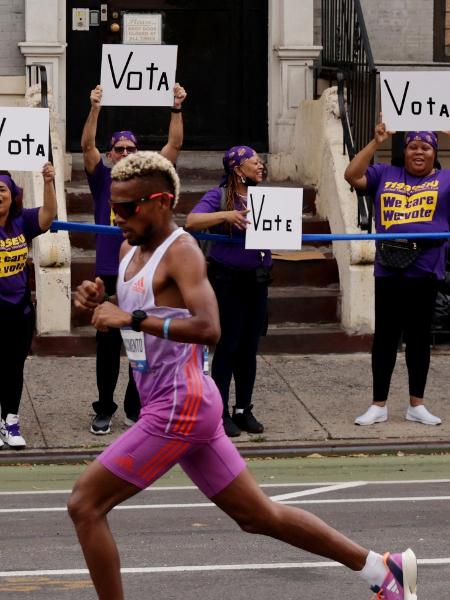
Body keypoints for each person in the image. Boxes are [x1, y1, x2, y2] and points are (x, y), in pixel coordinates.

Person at [68, 151, 418, 600]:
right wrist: (94, 301)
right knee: (258, 516)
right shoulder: (128, 248)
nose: (117, 216)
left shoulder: (183, 252)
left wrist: (130, 321)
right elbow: (124, 309)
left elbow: (210, 329)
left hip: (181, 402)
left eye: (127, 207)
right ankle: (380, 568)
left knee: (84, 503)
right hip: (179, 402)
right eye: (113, 207)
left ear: (161, 201)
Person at [81, 82, 187, 434]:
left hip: (140, 272)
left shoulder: (148, 180)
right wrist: (95, 107)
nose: (124, 153)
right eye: (119, 149)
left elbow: (173, 146)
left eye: (130, 148)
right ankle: (104, 408)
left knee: (139, 342)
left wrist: (175, 107)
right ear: (111, 154)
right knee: (107, 344)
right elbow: (86, 146)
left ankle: (135, 406)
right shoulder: (104, 180)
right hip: (109, 272)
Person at [345, 125, 446, 426]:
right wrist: (376, 142)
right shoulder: (384, 174)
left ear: (434, 153)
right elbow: (352, 175)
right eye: (413, 146)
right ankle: (379, 404)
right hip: (389, 267)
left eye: (425, 147)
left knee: (418, 338)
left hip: (425, 269)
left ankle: (417, 404)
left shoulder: (445, 180)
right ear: (404, 151)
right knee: (386, 338)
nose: (418, 151)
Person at [185, 146, 270, 437]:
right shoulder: (219, 195)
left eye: (261, 161)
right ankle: (219, 412)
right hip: (226, 280)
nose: (261, 166)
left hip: (257, 280)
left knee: (249, 348)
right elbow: (192, 221)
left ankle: (243, 409)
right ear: (237, 168)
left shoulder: (265, 197)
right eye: (254, 162)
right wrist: (226, 215)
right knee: (227, 347)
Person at [0, 163, 57, 449]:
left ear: (12, 195)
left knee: (13, 367)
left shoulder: (22, 222)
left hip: (19, 313)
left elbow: (48, 215)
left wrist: (48, 182)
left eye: (2, 190)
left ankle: (10, 420)